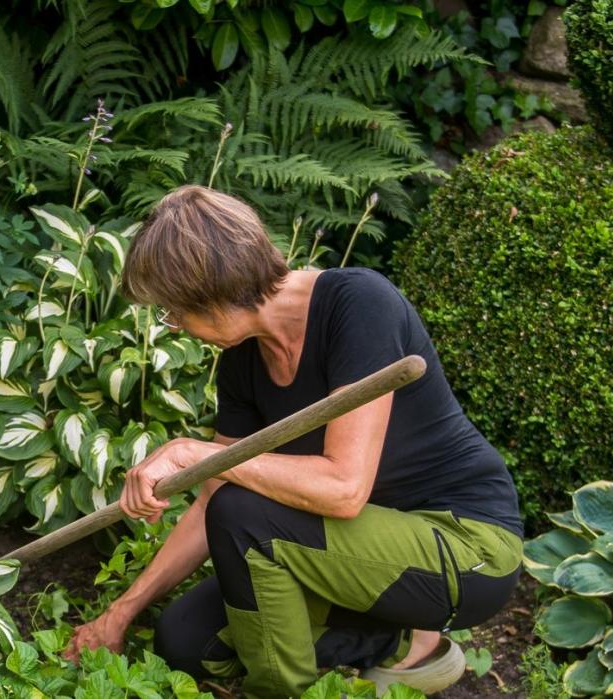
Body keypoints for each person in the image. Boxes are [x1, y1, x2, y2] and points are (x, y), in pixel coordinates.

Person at [62, 185, 524, 697]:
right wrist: (121, 612)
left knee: (247, 515)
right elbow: (215, 493)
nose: (176, 327)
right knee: (188, 641)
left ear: (211, 294)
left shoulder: (360, 304)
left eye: (174, 312)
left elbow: (343, 489)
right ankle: (397, 641)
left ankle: (279, 689)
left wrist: (198, 453)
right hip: (354, 556)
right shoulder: (243, 359)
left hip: (463, 546)